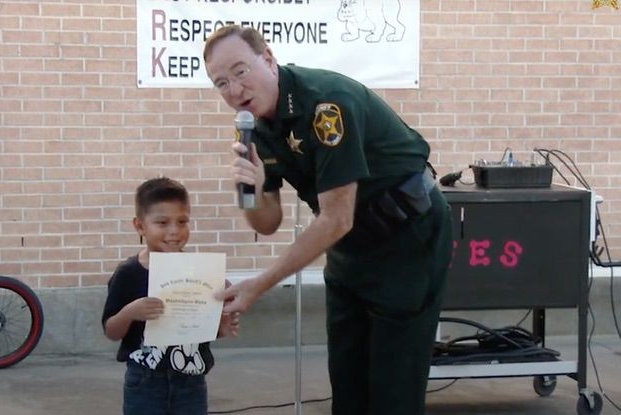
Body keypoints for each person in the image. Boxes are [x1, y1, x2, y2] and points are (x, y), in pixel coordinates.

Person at [204, 25, 453, 415]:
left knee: (393, 390)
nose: (234, 89)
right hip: (349, 248)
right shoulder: (253, 128)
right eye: (220, 83)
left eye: (240, 71)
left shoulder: (326, 103)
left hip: (408, 237)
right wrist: (251, 190)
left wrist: (260, 284)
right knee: (348, 383)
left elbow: (336, 218)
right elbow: (267, 222)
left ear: (268, 59)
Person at [102, 177, 240, 415]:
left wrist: (222, 323)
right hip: (144, 382)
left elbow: (206, 328)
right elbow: (111, 331)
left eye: (182, 221)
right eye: (162, 222)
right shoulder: (129, 273)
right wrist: (130, 312)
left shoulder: (201, 272)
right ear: (140, 226)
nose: (174, 231)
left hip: (192, 382)